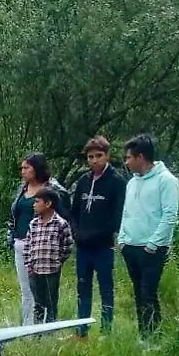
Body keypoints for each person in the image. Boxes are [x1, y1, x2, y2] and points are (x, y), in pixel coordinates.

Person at [115, 134, 179, 337]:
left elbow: (170, 215)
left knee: (147, 294)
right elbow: (127, 212)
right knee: (138, 294)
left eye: (128, 158)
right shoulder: (132, 183)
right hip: (130, 246)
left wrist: (153, 244)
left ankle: (153, 337)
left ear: (140, 157)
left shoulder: (166, 180)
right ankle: (144, 335)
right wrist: (122, 239)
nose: (126, 162)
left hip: (152, 249)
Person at [69, 136, 125, 335]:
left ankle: (106, 331)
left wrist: (95, 235)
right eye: (90, 156)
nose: (94, 160)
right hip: (83, 247)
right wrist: (76, 232)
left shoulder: (117, 181)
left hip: (103, 246)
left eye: (99, 156)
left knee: (105, 289)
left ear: (107, 156)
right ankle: (81, 331)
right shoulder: (83, 181)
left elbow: (117, 217)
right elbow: (73, 211)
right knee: (82, 289)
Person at [7, 153, 69, 325]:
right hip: (21, 243)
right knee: (25, 289)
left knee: (44, 292)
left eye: (27, 167)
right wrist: (10, 235)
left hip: (45, 247)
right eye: (22, 168)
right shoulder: (22, 189)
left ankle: (45, 327)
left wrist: (58, 254)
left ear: (37, 168)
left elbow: (64, 219)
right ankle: (27, 328)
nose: (23, 171)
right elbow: (14, 215)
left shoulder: (52, 189)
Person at [25, 187, 72, 323]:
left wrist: (59, 261)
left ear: (48, 204)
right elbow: (28, 244)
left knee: (51, 302)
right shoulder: (33, 224)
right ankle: (37, 331)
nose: (34, 205)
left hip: (52, 270)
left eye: (37, 201)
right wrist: (29, 264)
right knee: (38, 303)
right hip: (35, 269)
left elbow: (67, 244)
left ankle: (50, 329)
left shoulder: (60, 224)